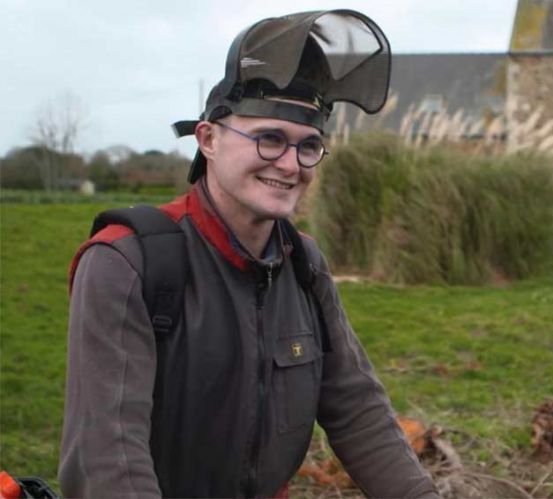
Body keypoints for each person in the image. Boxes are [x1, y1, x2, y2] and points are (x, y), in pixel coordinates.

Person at [58, 10, 438, 498]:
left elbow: (357, 407)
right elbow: (108, 458)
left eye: (309, 146)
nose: (290, 164)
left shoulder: (303, 263)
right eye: (270, 138)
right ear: (208, 139)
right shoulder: (126, 262)